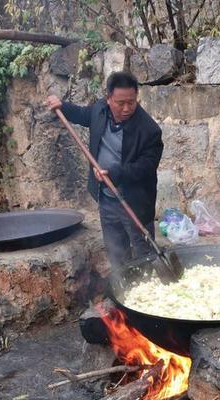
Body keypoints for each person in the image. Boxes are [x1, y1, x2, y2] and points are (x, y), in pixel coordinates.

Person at [45, 71, 164, 269]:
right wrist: (62, 106)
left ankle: (149, 291)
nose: (126, 108)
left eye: (131, 102)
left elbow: (147, 166)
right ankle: (123, 290)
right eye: (120, 103)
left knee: (145, 256)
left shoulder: (149, 130)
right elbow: (83, 115)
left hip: (134, 203)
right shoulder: (100, 110)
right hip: (107, 199)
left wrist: (116, 173)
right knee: (116, 253)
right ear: (108, 98)